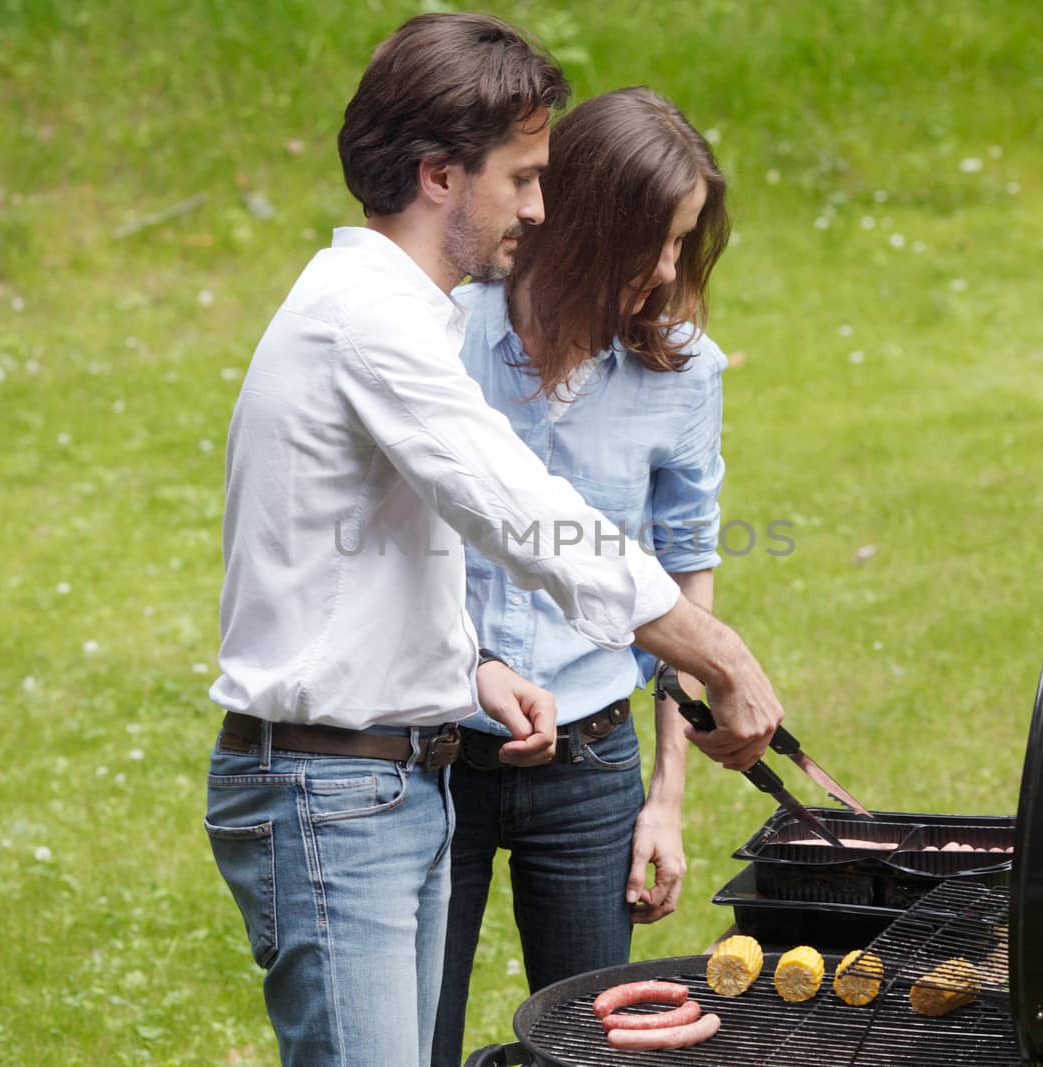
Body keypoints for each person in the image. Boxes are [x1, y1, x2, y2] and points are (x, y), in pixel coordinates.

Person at [203, 14, 785, 1067]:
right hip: (334, 789)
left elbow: (388, 556)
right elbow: (523, 511)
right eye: (521, 177)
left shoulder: (394, 313)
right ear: (438, 174)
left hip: (388, 778)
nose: (538, 207)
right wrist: (722, 655)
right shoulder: (372, 322)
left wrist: (470, 666)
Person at [431, 87, 732, 1067]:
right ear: (570, 217)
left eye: (682, 243)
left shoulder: (683, 374)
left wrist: (667, 797)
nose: (663, 271)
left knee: (597, 1051)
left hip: (593, 768)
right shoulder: (442, 341)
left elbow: (684, 577)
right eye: (645, 239)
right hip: (430, 759)